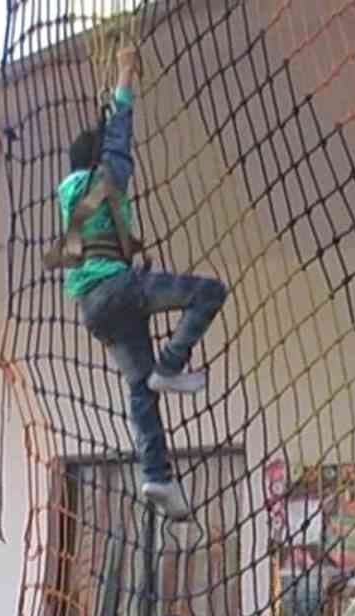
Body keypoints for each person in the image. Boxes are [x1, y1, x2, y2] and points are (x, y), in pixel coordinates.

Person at [47, 44, 229, 521]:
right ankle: (171, 363)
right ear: (97, 158)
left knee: (140, 391)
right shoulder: (109, 174)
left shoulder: (70, 199)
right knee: (208, 293)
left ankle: (157, 476)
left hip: (93, 307)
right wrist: (127, 73)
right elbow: (121, 130)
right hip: (117, 290)